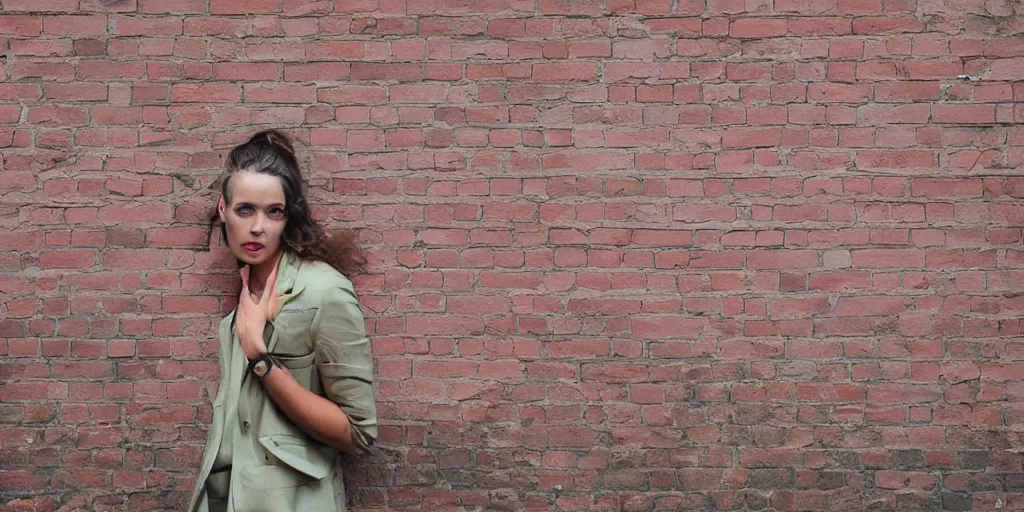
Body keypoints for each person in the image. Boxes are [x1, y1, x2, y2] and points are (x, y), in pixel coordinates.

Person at [187, 130, 377, 512]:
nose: (258, 227)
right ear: (223, 210)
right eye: (245, 210)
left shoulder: (323, 291)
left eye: (273, 211)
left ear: (288, 217)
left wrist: (260, 358)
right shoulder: (237, 309)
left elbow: (358, 433)